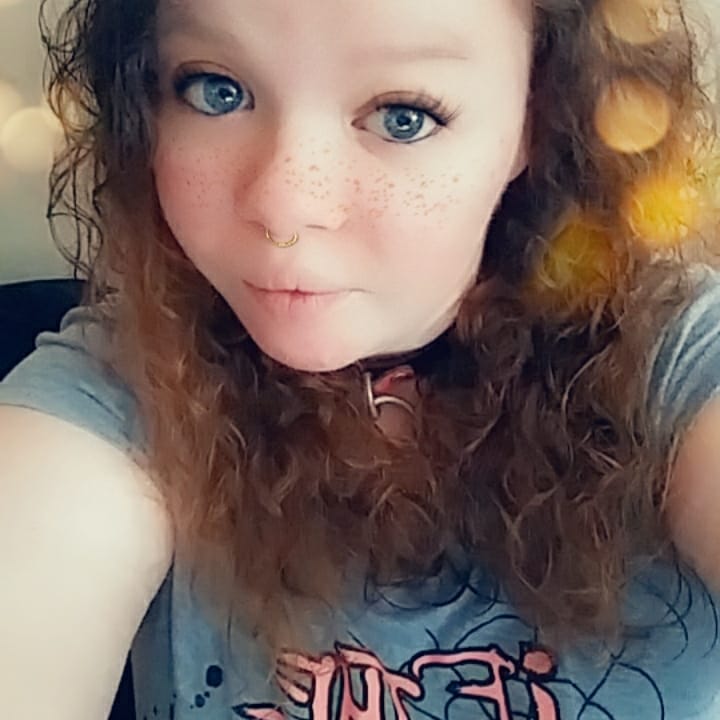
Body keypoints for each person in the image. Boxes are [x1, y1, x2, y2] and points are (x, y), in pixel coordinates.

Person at [2, 0, 720, 717]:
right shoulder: (125, 386)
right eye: (217, 91)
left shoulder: (671, 358)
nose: (286, 207)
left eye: (403, 117)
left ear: (540, 116)